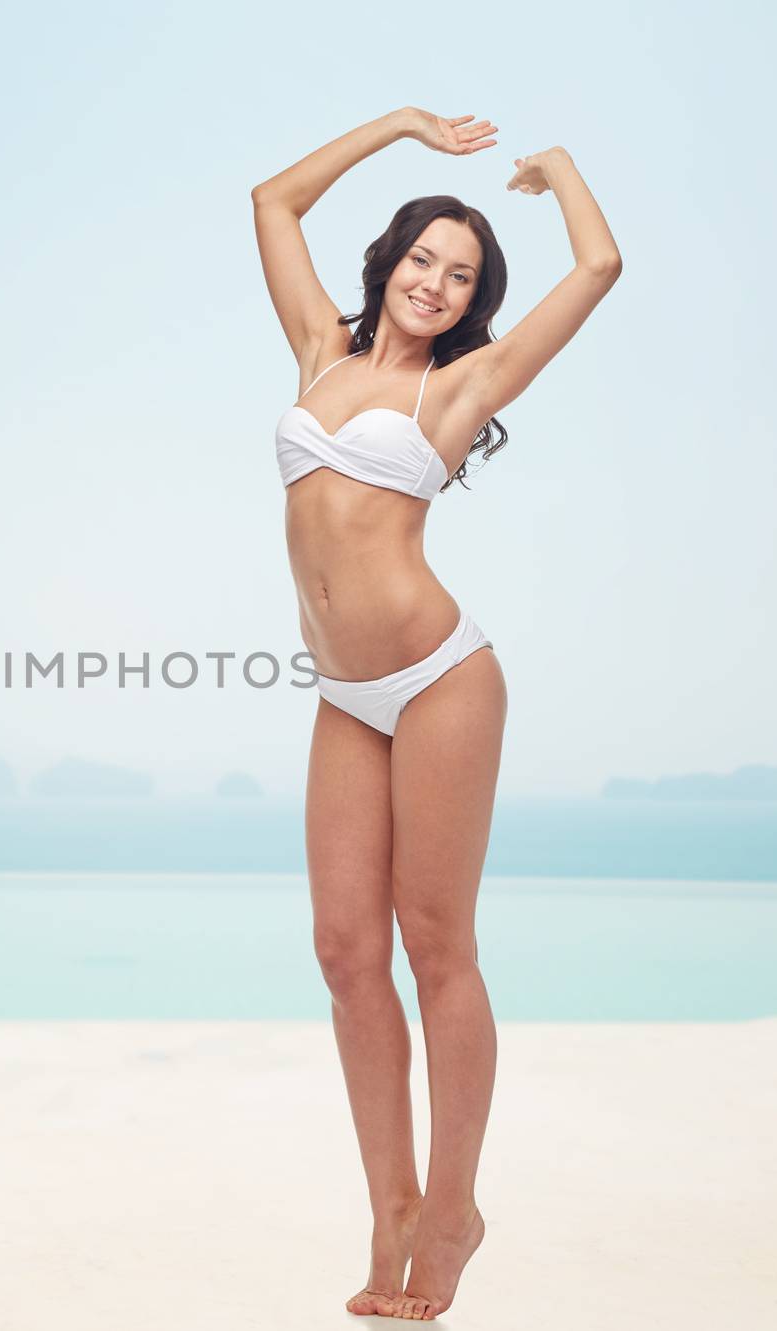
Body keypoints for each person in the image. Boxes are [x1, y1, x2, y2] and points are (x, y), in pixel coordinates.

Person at [251, 107, 622, 1320]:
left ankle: (452, 1208)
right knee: (344, 954)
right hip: (346, 694)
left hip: (440, 677)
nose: (435, 283)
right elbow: (270, 201)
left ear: (471, 302)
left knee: (432, 944)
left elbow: (600, 268)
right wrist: (403, 127)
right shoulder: (319, 351)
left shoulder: (465, 385)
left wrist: (556, 167)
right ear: (391, 260)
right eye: (423, 259)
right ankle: (389, 1206)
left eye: (460, 276)